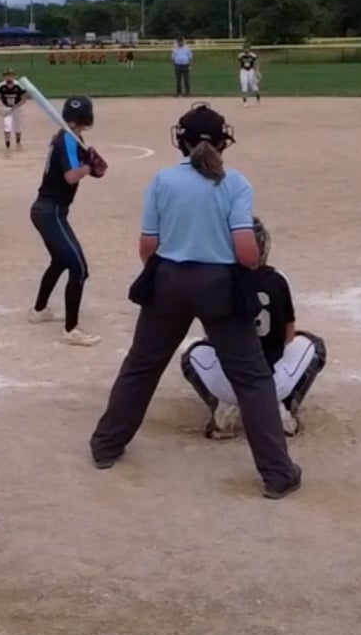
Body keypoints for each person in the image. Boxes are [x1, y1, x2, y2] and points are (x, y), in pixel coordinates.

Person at [89, 102, 300, 500]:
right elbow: (247, 252)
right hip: (219, 284)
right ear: (223, 142)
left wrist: (171, 274)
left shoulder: (163, 180)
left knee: (142, 365)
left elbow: (148, 247)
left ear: (180, 141)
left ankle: (106, 445)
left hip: (168, 279)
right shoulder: (234, 183)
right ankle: (277, 474)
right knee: (252, 378)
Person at [180, 216, 326, 440]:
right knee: (314, 345)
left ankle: (221, 407)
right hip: (271, 384)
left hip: (228, 382)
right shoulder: (277, 279)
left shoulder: (214, 279)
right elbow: (288, 336)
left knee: (191, 355)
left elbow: (212, 336)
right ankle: (284, 407)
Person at [27, 95, 107, 347]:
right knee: (79, 269)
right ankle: (71, 330)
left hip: (48, 210)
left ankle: (39, 310)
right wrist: (88, 167)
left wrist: (93, 165)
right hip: (51, 211)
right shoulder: (68, 139)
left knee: (61, 261)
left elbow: (95, 171)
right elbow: (72, 176)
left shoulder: (67, 138)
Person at [0, 69, 28, 151]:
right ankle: (7, 144)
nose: (8, 77)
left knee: (17, 127)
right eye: (7, 75)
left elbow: (24, 99)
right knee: (7, 126)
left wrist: (15, 107)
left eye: (10, 75)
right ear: (4, 77)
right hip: (6, 108)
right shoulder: (1, 86)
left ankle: (18, 141)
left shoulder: (19, 85)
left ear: (14, 76)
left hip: (17, 108)